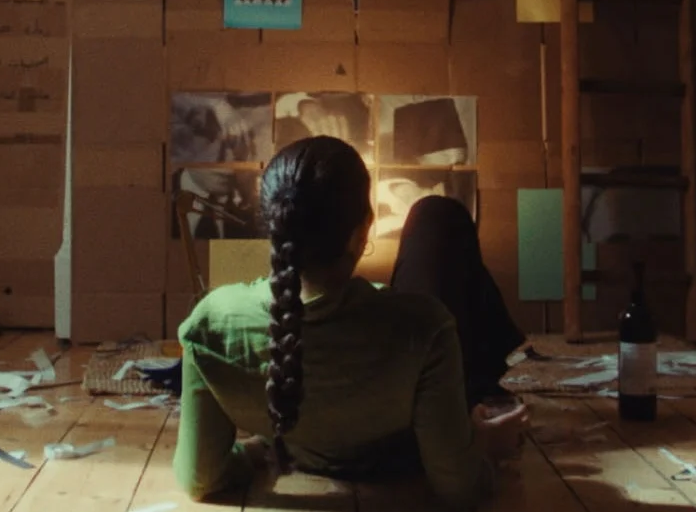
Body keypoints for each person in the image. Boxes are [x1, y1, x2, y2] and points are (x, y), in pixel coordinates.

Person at [175, 137, 528, 507]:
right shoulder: (425, 328)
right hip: (416, 439)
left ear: (273, 225)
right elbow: (461, 488)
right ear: (363, 231)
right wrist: (482, 444)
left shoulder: (211, 323)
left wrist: (258, 450)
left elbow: (201, 478)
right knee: (437, 215)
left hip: (297, 441)